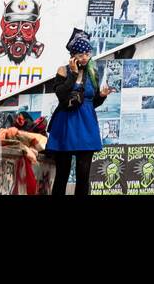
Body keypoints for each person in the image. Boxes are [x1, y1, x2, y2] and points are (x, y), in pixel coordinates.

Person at [45, 28, 110, 195]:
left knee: (83, 175)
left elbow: (90, 102)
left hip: (86, 126)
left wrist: (101, 97)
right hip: (66, 125)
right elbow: (62, 96)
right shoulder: (63, 70)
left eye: (87, 54)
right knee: (62, 174)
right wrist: (73, 75)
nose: (85, 58)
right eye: (81, 55)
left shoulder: (92, 72)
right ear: (73, 55)